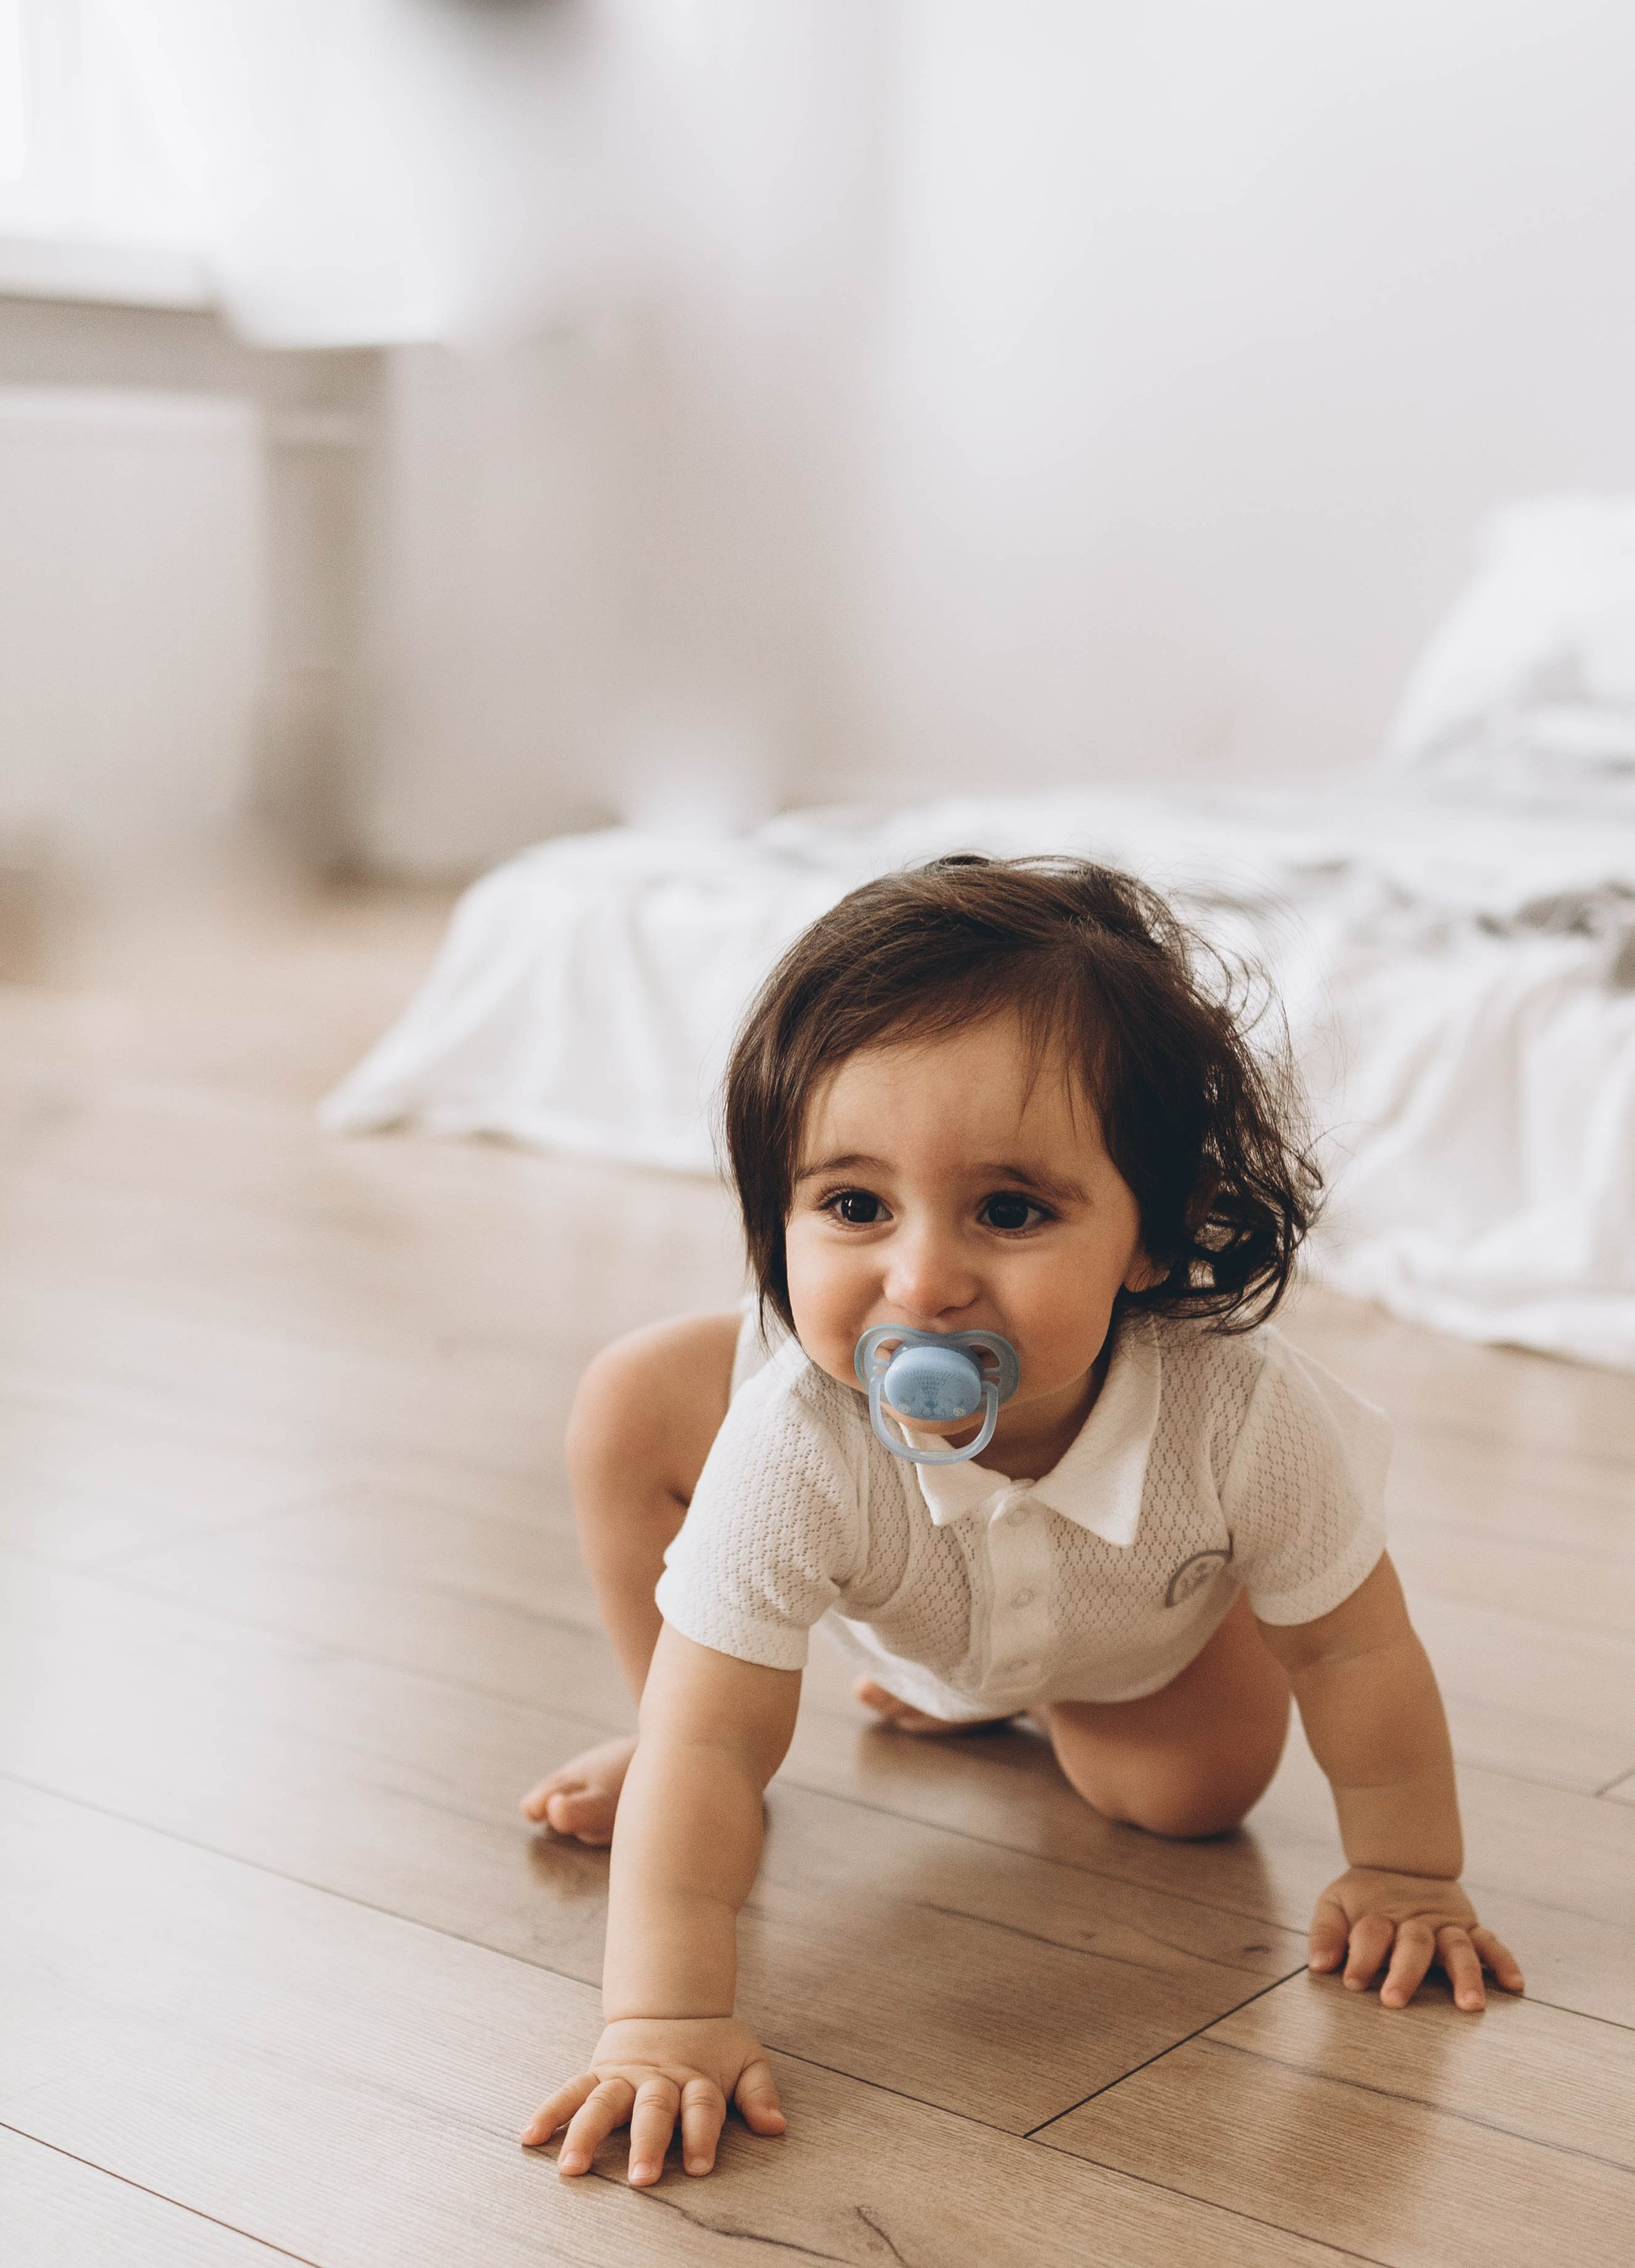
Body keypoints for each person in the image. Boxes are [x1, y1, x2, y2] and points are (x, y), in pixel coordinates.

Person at [520, 857, 1521, 2189]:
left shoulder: (1246, 1415)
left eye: (1010, 1211)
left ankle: (1008, 1697)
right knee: (638, 1416)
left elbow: (1353, 1655)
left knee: (1188, 1800)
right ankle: (770, 1705)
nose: (922, 1281)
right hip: (871, 1581)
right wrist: (664, 2020)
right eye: (854, 1206)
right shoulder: (792, 1431)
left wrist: (1408, 1872)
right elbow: (720, 1742)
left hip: (1132, 1624)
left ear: (1154, 1238)